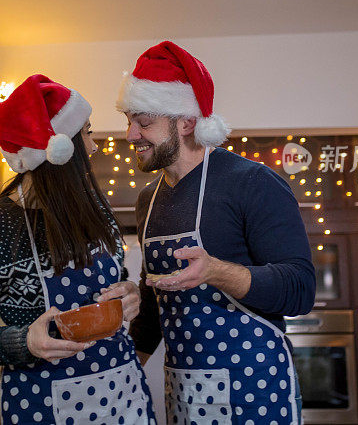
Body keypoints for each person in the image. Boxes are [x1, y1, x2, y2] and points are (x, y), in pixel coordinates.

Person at [0, 74, 156, 425]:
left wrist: (131, 294)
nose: (95, 147)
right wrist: (24, 341)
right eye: (87, 132)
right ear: (60, 149)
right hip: (43, 406)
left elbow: (122, 280)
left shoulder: (96, 211)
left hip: (124, 397)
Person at [117, 41, 315, 424]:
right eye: (129, 120)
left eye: (144, 122)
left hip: (254, 387)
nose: (130, 135)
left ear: (186, 122)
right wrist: (127, 370)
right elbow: (154, 299)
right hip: (185, 392)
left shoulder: (253, 182)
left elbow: (300, 289)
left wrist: (216, 271)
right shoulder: (148, 200)